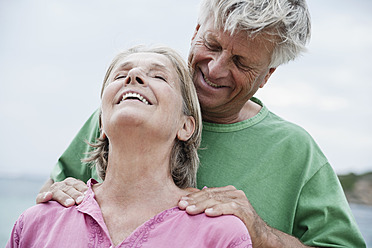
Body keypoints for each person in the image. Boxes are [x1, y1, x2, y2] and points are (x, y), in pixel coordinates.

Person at [37, 0, 366, 247]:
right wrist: (57, 193)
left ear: (267, 75)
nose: (216, 69)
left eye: (240, 62)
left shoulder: (296, 152)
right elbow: (51, 208)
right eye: (211, 45)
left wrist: (260, 232)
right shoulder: (125, 113)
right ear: (196, 31)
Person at [7, 46, 252, 248]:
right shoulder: (35, 223)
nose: (133, 76)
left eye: (158, 76)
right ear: (102, 123)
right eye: (119, 75)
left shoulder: (222, 234)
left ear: (186, 126)